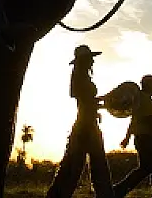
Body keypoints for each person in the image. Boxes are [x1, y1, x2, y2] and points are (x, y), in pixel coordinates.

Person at [46, 45, 113, 198]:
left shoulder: (80, 76)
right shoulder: (81, 77)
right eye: (90, 58)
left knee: (74, 166)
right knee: (92, 166)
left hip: (85, 123)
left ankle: (57, 194)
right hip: (86, 125)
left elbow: (86, 101)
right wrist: (104, 102)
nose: (93, 62)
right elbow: (86, 101)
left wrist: (102, 102)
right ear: (84, 60)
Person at [113, 75, 152, 198]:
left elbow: (134, 121)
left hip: (143, 139)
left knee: (150, 168)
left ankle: (120, 190)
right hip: (146, 139)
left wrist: (127, 138)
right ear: (149, 86)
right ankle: (120, 189)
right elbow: (149, 122)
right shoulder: (145, 100)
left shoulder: (141, 100)